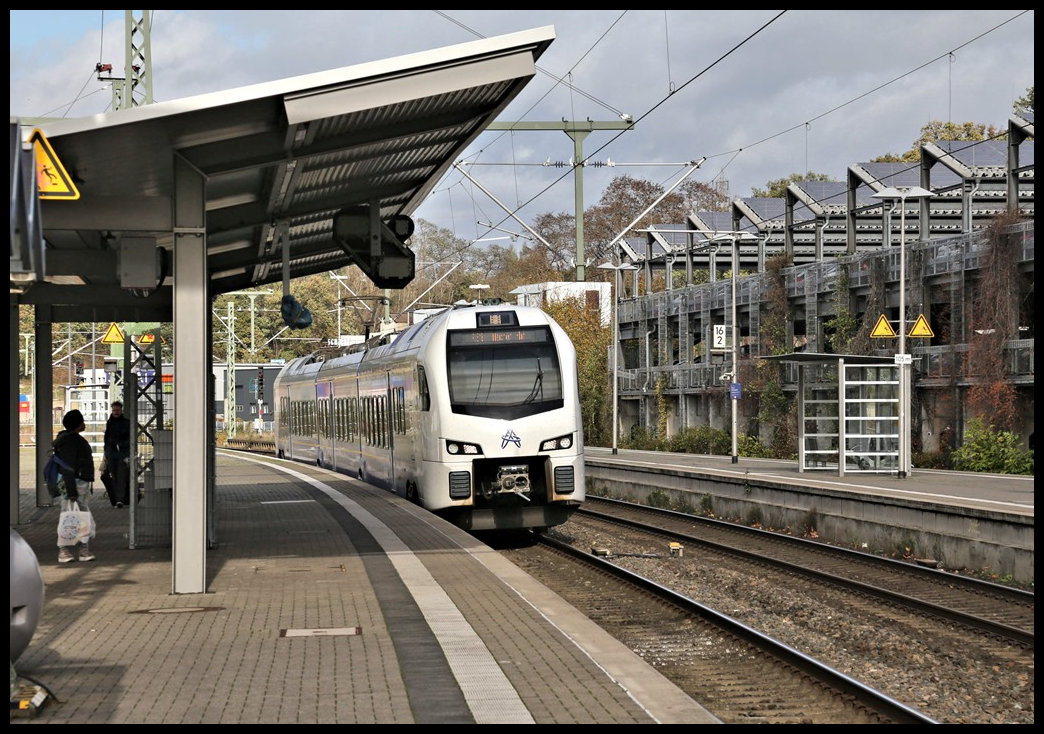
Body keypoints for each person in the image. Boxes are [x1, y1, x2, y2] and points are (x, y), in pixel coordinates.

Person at [53, 409, 96, 563]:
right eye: (82, 421)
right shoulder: (72, 442)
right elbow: (68, 468)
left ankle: (81, 549)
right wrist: (71, 491)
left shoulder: (68, 439)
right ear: (77, 424)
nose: (84, 423)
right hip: (73, 484)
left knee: (78, 516)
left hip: (75, 483)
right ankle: (66, 551)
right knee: (72, 516)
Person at [103, 400, 131, 508]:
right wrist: (106, 452)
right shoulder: (109, 422)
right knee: (114, 477)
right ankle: (117, 499)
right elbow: (106, 439)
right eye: (114, 410)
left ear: (121, 410)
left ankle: (120, 500)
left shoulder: (126, 423)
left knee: (121, 476)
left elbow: (129, 438)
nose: (116, 412)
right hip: (111, 454)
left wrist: (120, 444)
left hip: (122, 454)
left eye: (118, 410)